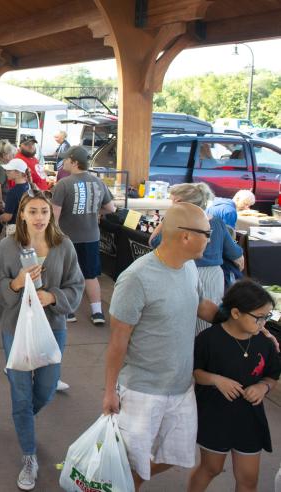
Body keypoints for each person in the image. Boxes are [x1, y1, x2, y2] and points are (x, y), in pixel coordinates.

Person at [103, 203, 224, 490]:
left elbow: (201, 306)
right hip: (142, 391)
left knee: (176, 457)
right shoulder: (136, 278)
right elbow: (117, 342)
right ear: (185, 236)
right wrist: (109, 391)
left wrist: (247, 324)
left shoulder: (189, 267)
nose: (211, 237)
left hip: (182, 387)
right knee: (131, 463)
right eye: (207, 233)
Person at [0, 192, 85, 491]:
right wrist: (16, 283)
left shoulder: (64, 245)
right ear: (22, 215)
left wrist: (54, 296)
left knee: (45, 389)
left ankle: (22, 419)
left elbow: (77, 285)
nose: (40, 217)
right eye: (33, 211)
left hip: (52, 326)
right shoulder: (7, 247)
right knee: (20, 394)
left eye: (44, 211)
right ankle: (29, 456)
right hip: (15, 328)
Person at [187, 279, 279, 492]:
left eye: (267, 317)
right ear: (236, 313)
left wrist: (263, 387)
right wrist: (217, 380)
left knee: (248, 479)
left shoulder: (265, 343)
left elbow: (272, 375)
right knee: (211, 468)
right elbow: (196, 372)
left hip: (250, 419)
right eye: (259, 317)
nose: (263, 323)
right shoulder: (208, 339)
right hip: (215, 416)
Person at [150, 183, 244, 333]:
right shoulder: (217, 222)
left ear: (180, 203)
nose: (170, 205)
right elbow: (236, 254)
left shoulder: (178, 224)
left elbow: (153, 241)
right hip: (212, 275)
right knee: (204, 324)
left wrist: (166, 220)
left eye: (173, 201)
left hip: (187, 272)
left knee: (187, 322)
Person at [51, 146, 117, 325]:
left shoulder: (63, 184)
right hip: (91, 236)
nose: (63, 162)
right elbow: (111, 208)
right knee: (90, 274)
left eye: (65, 159)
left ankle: (69, 311)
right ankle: (97, 312)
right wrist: (95, 212)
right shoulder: (98, 182)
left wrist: (52, 237)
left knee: (66, 274)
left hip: (66, 238)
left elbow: (54, 216)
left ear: (73, 162)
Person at [0, 158, 32, 231]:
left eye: (9, 170)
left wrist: (0, 217)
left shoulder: (13, 192)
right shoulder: (29, 185)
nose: (6, 172)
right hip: (27, 226)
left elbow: (8, 217)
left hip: (16, 228)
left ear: (18, 173)